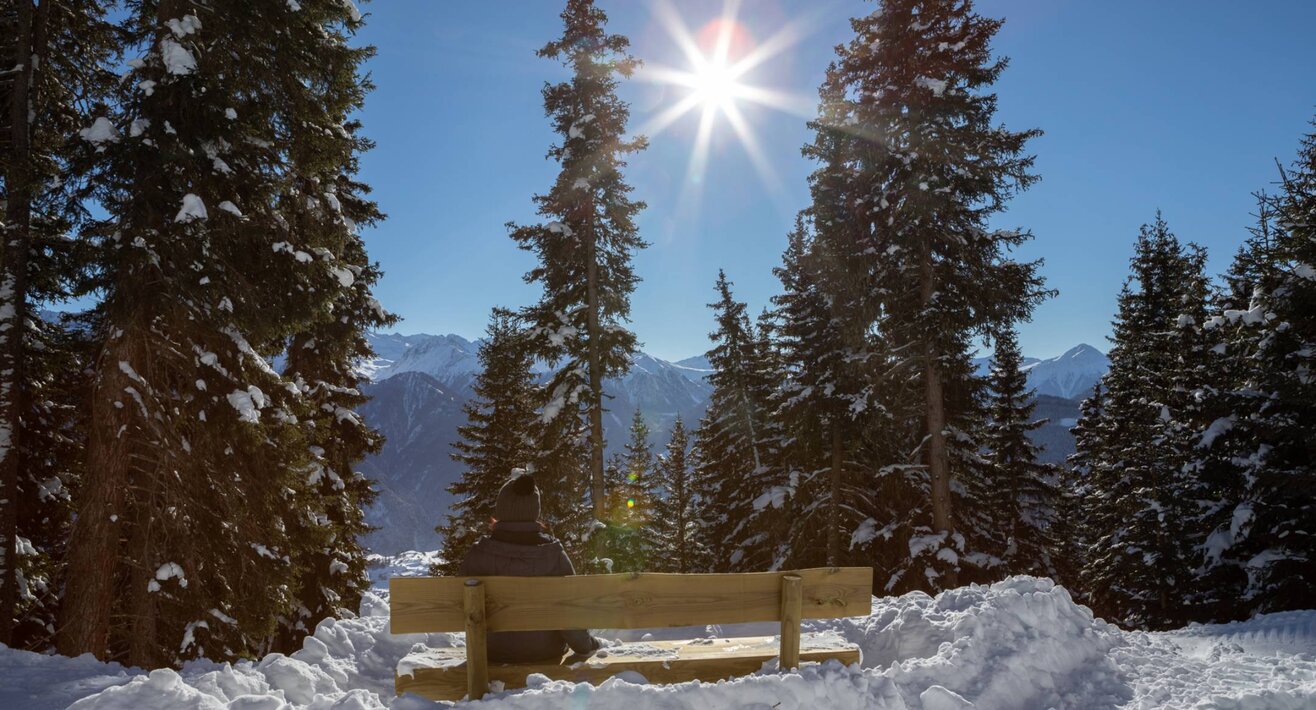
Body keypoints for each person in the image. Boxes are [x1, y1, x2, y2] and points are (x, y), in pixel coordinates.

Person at [460, 473, 606, 663]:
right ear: (535, 510)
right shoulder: (554, 555)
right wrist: (586, 646)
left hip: (491, 653)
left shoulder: (478, 554)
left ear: (501, 508)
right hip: (545, 654)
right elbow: (570, 613)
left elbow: (460, 606)